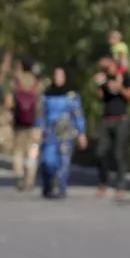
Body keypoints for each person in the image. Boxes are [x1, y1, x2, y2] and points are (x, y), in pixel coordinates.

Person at [38, 67, 87, 199]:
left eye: (61, 75)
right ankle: (48, 185)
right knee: (48, 160)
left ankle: (61, 187)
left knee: (64, 161)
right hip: (50, 133)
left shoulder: (71, 96)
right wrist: (38, 129)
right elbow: (41, 114)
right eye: (56, 75)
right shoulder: (47, 95)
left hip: (66, 133)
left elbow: (78, 114)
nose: (58, 78)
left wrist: (81, 133)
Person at [94, 49, 130, 197]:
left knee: (119, 154)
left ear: (109, 61)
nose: (99, 64)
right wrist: (100, 85)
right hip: (107, 118)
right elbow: (100, 99)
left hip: (121, 119)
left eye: (101, 61)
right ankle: (102, 184)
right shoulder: (103, 77)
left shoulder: (124, 75)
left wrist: (120, 88)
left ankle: (121, 186)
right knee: (101, 152)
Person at [4, 56, 41, 192]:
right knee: (32, 150)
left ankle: (19, 174)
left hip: (19, 121)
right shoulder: (37, 83)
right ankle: (30, 179)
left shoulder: (15, 81)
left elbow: (8, 102)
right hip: (35, 121)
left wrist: (10, 113)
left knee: (18, 151)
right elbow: (40, 104)